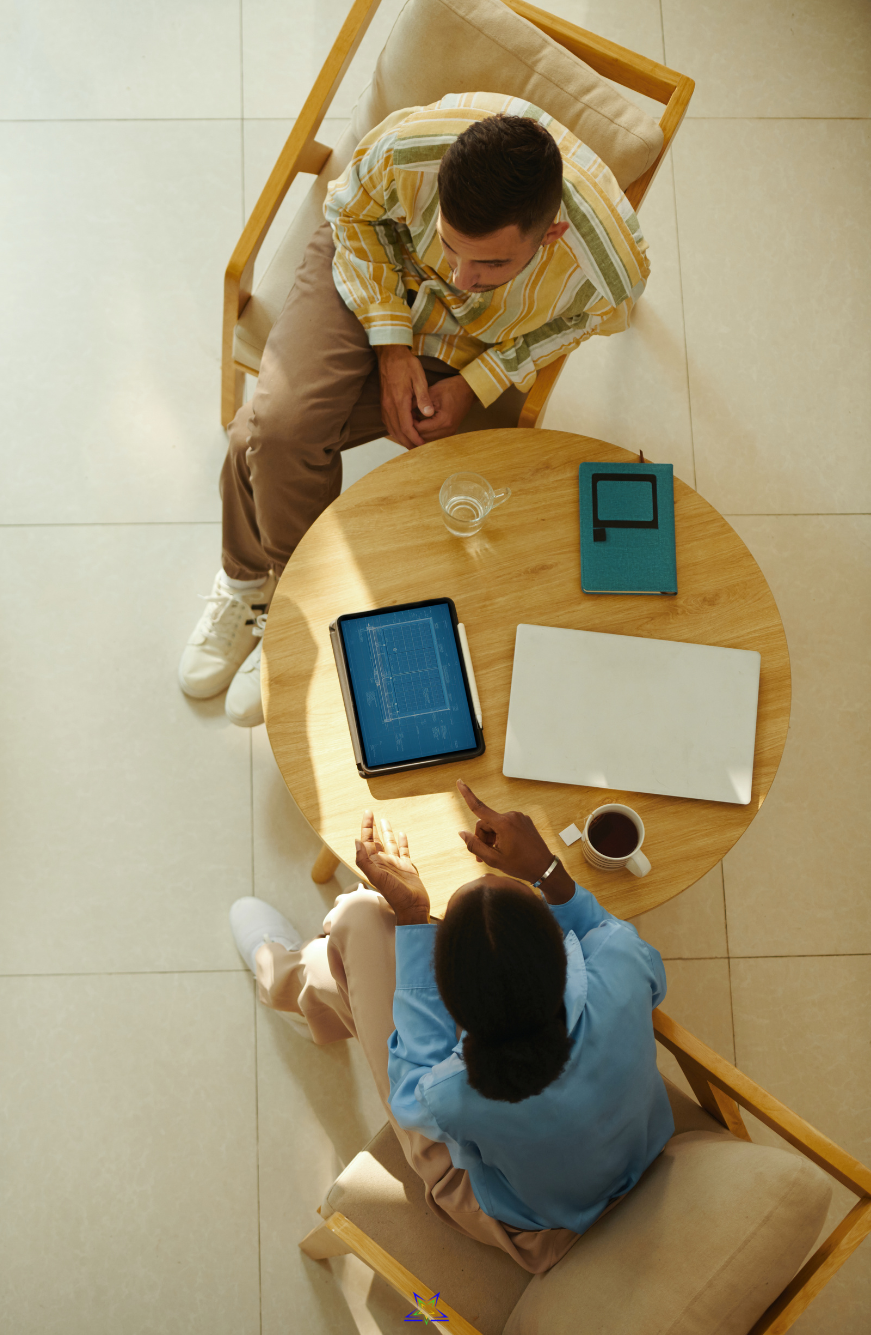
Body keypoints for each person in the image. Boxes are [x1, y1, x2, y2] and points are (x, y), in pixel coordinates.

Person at [179, 93, 651, 726]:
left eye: (490, 262)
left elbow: (561, 330)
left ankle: (251, 582)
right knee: (283, 430)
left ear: (552, 234)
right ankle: (297, 604)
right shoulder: (405, 150)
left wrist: (479, 383)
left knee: (254, 438)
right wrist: (390, 342)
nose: (460, 275)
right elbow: (348, 217)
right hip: (370, 279)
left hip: (469, 342)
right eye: (452, 245)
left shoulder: (611, 270)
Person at [229, 780, 673, 1272]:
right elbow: (605, 937)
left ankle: (286, 977)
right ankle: (299, 978)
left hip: (533, 1227)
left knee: (356, 921)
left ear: (453, 1015)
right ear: (561, 949)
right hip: (638, 1150)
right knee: (353, 958)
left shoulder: (449, 1091)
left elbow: (411, 1096)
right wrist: (546, 872)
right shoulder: (622, 961)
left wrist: (415, 918)